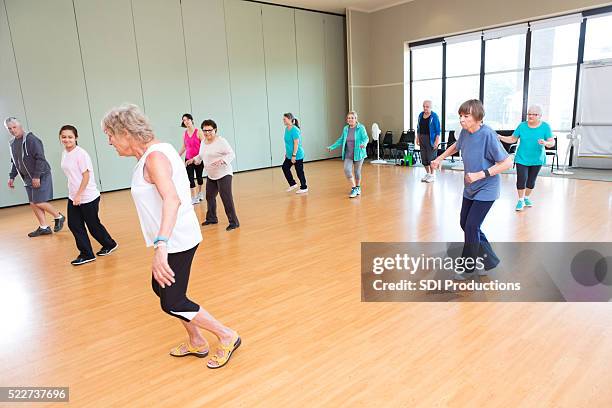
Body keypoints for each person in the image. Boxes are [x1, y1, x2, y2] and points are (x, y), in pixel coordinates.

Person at [102, 104, 240, 369]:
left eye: (110, 134)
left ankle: (226, 335)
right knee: (161, 290)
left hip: (176, 239)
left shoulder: (155, 158)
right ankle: (197, 341)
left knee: (173, 300)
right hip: (176, 236)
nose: (109, 141)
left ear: (126, 132)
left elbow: (173, 200)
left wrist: (161, 246)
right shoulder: (158, 151)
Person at [431, 99, 513, 279]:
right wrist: (440, 158)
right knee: (466, 224)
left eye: (466, 116)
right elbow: (456, 146)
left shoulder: (488, 135)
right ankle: (488, 260)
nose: (462, 119)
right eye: (460, 116)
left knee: (472, 225)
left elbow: (507, 162)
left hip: (487, 188)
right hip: (470, 187)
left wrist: (481, 174)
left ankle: (468, 268)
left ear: (478, 117)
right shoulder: (465, 132)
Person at [59, 125, 118, 265]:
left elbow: (86, 176)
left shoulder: (81, 154)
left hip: (87, 196)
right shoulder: (65, 152)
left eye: (70, 137)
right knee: (74, 225)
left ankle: (110, 244)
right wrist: (74, 194)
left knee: (93, 225)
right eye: (64, 137)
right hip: (73, 195)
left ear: (76, 138)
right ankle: (87, 254)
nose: (67, 139)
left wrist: (79, 195)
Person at [5, 117, 65, 237]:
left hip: (41, 174)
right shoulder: (12, 143)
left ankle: (59, 216)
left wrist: (37, 176)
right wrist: (12, 177)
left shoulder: (32, 140)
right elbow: (15, 163)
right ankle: (44, 227)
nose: (12, 130)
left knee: (38, 201)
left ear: (20, 126)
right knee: (33, 202)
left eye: (14, 127)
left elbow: (40, 158)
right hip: (27, 177)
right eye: (9, 129)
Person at [498, 105, 555, 211]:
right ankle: (520, 200)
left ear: (540, 116)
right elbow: (512, 139)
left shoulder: (545, 127)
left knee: (531, 181)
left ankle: (526, 197)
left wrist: (546, 142)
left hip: (537, 159)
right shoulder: (522, 126)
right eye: (529, 114)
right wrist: (500, 137)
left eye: (534, 114)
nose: (531, 116)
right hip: (521, 157)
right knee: (521, 179)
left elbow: (552, 142)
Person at [195, 119, 240, 231]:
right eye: (205, 130)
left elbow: (231, 154)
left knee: (226, 197)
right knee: (209, 196)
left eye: (209, 130)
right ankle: (212, 218)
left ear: (215, 130)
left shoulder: (221, 141)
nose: (207, 133)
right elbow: (201, 156)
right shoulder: (203, 142)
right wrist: (194, 159)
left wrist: (222, 161)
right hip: (211, 174)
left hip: (224, 173)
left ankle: (234, 222)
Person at [327, 111, 368, 198]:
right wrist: (332, 147)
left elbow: (366, 138)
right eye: (349, 118)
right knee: (347, 170)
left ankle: (358, 187)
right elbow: (341, 140)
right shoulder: (346, 128)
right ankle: (354, 188)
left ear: (356, 119)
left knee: (357, 172)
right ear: (347, 120)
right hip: (348, 153)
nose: (350, 119)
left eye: (352, 118)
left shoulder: (361, 128)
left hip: (359, 153)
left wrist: (364, 144)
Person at [178, 114, 205, 205]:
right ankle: (193, 197)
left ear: (191, 120)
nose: (186, 121)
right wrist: (178, 155)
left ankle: (200, 193)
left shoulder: (199, 132)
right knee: (190, 178)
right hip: (188, 158)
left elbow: (204, 145)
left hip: (198, 159)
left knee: (199, 177)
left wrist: (200, 158)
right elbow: (184, 146)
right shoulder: (184, 133)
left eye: (188, 119)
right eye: (184, 120)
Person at [281, 113, 308, 194]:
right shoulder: (286, 129)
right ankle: (292, 184)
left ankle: (304, 187)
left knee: (299, 171)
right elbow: (288, 143)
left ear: (290, 120)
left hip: (297, 155)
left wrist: (294, 155)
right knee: (285, 167)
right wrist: (287, 153)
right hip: (289, 154)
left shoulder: (295, 130)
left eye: (284, 119)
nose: (283, 121)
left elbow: (296, 143)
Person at [416, 100, 441, 183]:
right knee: (424, 158)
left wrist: (436, 142)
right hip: (422, 138)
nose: (425, 108)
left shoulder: (434, 116)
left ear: (431, 107)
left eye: (427, 107)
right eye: (424, 106)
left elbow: (438, 131)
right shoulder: (420, 115)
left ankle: (432, 175)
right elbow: (418, 128)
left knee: (431, 158)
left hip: (431, 140)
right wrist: (417, 138)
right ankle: (428, 174)